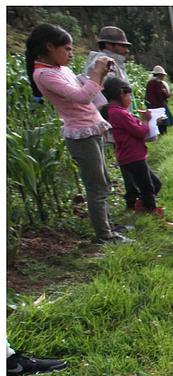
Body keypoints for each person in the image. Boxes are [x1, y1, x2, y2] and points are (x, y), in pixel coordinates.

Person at [27, 23, 132, 244]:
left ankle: (108, 226)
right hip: (80, 134)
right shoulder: (44, 74)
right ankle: (104, 235)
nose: (71, 54)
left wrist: (101, 75)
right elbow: (82, 97)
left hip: (91, 127)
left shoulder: (60, 69)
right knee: (97, 185)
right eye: (67, 49)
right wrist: (95, 72)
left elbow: (88, 91)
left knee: (103, 181)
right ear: (49, 47)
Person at [102, 77, 173, 228]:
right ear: (122, 94)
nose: (130, 99)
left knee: (154, 184)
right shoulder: (119, 113)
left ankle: (141, 208)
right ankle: (153, 217)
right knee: (148, 187)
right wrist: (147, 120)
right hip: (133, 157)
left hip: (133, 156)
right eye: (129, 95)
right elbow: (139, 132)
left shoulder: (117, 112)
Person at [83, 25, 141, 212]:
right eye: (121, 46)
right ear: (108, 44)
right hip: (114, 121)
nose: (125, 50)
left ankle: (136, 195)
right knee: (128, 159)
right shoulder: (100, 65)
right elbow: (99, 95)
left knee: (129, 157)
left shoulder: (113, 63)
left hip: (120, 119)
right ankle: (134, 198)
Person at [145, 65, 173, 134]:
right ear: (159, 75)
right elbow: (161, 93)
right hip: (158, 105)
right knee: (162, 120)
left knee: (155, 120)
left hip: (150, 105)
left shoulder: (149, 82)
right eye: (163, 75)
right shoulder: (158, 82)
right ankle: (163, 134)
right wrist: (167, 95)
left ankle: (158, 133)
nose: (163, 77)